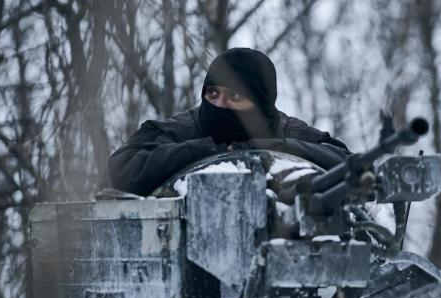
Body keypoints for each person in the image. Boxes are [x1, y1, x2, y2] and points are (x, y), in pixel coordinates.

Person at [109, 47, 350, 196]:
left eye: (235, 96)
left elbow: (347, 164)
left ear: (260, 102)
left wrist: (273, 150)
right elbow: (122, 167)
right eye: (213, 93)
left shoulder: (286, 129)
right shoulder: (185, 128)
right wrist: (204, 152)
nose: (220, 104)